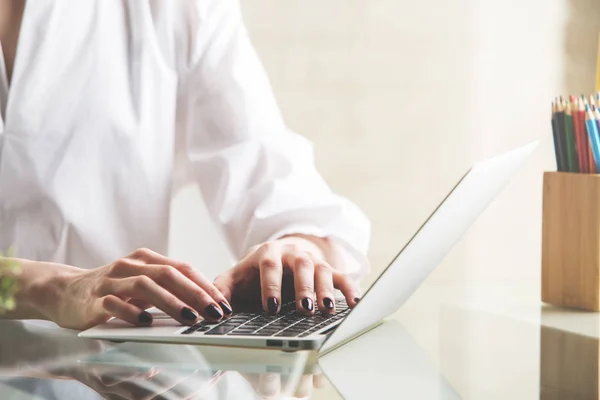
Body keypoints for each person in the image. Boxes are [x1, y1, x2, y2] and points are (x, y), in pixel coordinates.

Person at [0, 0, 370, 330]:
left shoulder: (181, 8)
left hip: (109, 375)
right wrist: (45, 286)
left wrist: (295, 251)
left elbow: (266, 172)